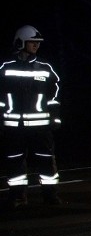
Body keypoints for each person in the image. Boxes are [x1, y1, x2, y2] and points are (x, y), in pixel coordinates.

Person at [0, 25, 63, 209]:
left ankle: (50, 195)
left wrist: (55, 118)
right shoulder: (5, 68)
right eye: (32, 42)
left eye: (37, 43)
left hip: (41, 127)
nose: (36, 45)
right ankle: (17, 196)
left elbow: (55, 95)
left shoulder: (45, 68)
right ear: (20, 43)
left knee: (46, 160)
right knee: (14, 161)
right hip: (14, 127)